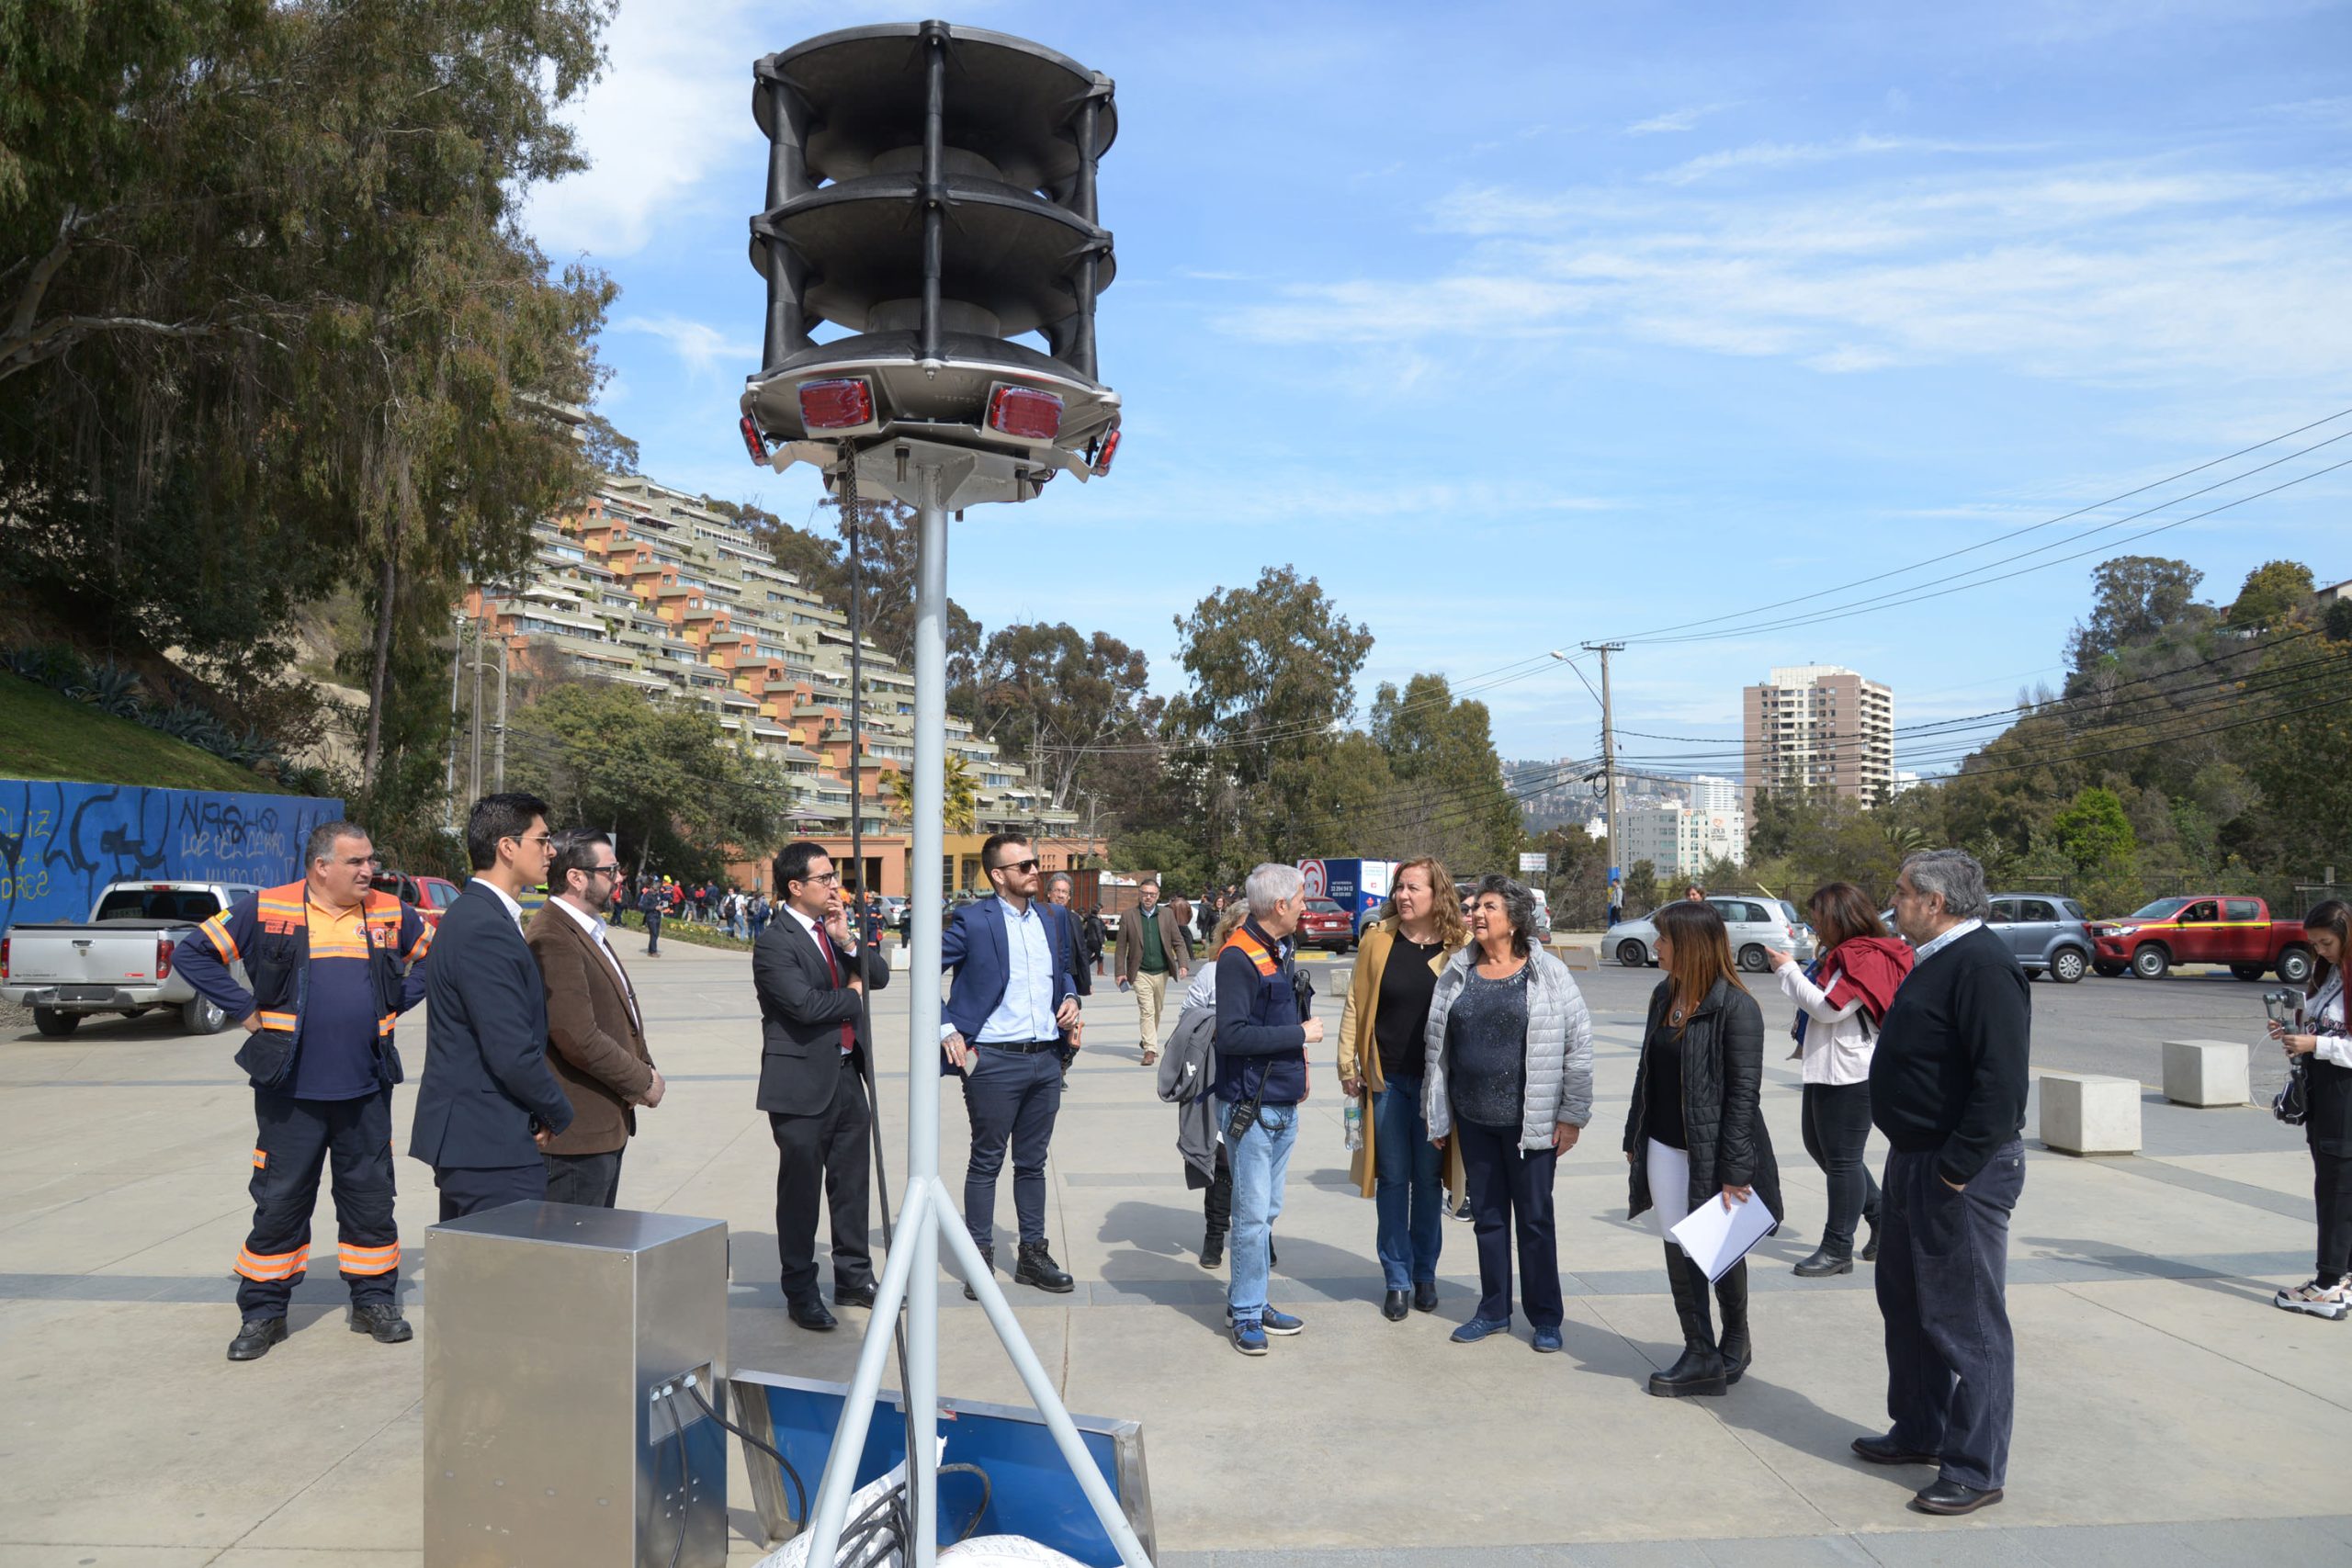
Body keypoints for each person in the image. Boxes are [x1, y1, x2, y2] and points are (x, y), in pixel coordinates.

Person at [176, 819, 430, 1361]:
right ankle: (263, 1313)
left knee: (370, 1199)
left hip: (365, 1086)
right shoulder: (269, 909)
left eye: (370, 860)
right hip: (289, 1089)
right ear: (321, 867)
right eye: (356, 862)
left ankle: (374, 1302)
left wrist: (395, 1002)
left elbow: (436, 955)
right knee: (279, 1201)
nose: (370, 870)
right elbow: (193, 953)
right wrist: (245, 1011)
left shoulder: (388, 910)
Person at [1858, 849, 2029, 1517]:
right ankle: (1920, 1429)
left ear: (1935, 902)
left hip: (1961, 1168)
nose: (1891, 902)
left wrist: (1956, 1168)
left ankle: (1976, 1465)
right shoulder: (1936, 958)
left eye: (1900, 892)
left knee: (1967, 1320)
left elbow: (2001, 1082)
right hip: (1914, 1157)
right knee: (1906, 1303)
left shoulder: (1984, 966)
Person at [1424, 874, 1593, 1352]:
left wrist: (1571, 1116)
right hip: (1475, 1120)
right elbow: (1436, 1050)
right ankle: (1493, 1309)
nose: (1475, 914)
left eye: (1488, 907)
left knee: (1535, 1220)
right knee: (1489, 1219)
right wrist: (1438, 1114)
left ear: (1515, 920)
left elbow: (1577, 1049)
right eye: (1474, 906)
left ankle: (1545, 1317)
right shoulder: (1458, 972)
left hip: (1532, 1123)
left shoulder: (1549, 974)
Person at [1622, 899, 1783, 1395]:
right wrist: (1635, 1135)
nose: (1656, 947)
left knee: (1719, 1247)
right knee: (1678, 1244)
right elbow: (1647, 1073)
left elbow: (1743, 1097)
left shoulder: (1736, 1006)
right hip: (1663, 1145)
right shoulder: (1662, 995)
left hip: (1714, 1150)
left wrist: (1737, 1169)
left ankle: (1737, 1337)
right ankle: (1700, 1350)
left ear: (1689, 944)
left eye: (1664, 939)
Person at [410, 793, 577, 1220]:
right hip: (486, 1143)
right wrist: (556, 1109)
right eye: (542, 840)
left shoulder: (484, 916)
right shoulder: (483, 926)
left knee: (481, 1277)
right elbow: (509, 1047)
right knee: (501, 1279)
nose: (551, 851)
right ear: (507, 847)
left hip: (483, 1136)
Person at [941, 834, 1084, 1298]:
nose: (1034, 872)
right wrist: (946, 1028)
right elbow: (926, 969)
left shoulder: (1051, 917)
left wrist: (1069, 997)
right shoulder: (972, 919)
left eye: (1035, 863)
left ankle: (1032, 1256)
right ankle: (979, 1257)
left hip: (1045, 1057)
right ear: (998, 875)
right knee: (986, 1161)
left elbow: (1061, 970)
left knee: (1032, 1162)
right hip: (994, 1061)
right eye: (1023, 866)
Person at [752, 841, 889, 1329]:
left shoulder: (834, 931)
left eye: (835, 877)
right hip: (800, 1086)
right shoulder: (775, 942)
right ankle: (801, 1290)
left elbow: (883, 976)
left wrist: (849, 941)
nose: (836, 885)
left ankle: (854, 1277)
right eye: (826, 878)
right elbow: (806, 1007)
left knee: (852, 1186)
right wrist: (853, 993)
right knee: (801, 1191)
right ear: (796, 887)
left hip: (848, 1075)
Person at [1337, 856, 1467, 1321]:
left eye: (1414, 887)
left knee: (1429, 1183)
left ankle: (1425, 1273)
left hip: (1437, 1087)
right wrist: (1346, 1062)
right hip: (1385, 1079)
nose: (1403, 896)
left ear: (1438, 894)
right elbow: (1356, 1000)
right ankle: (1396, 1278)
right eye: (1399, 887)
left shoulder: (1459, 947)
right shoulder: (1378, 940)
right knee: (1392, 1180)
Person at [1767, 882, 1913, 1276]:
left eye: (1818, 919)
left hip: (1851, 1071)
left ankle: (1837, 1248)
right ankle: (1881, 1215)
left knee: (1842, 1160)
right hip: (1828, 1064)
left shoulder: (1862, 955)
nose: (1815, 927)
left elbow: (1830, 1009)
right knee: (1823, 1150)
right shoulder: (1847, 953)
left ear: (1838, 919)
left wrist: (1788, 971)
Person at [1217, 863, 1323, 1356]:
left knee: (1267, 1212)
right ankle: (1244, 1314)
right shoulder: (1238, 955)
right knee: (1252, 1215)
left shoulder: (1279, 948)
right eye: (1301, 898)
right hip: (1251, 1107)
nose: (1306, 905)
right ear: (1280, 906)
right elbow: (1232, 1035)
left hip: (1282, 1103)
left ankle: (1253, 1300)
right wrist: (1301, 1033)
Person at [526, 830, 660, 1208]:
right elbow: (576, 1035)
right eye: (610, 869)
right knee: (574, 1256)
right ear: (576, 877)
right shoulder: (553, 936)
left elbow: (620, 1016)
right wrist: (642, 1080)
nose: (619, 878)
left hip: (602, 1127)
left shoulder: (585, 929)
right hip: (577, 1137)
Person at [2269, 898, 2350, 1320]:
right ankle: (2341, 1275)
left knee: (2335, 1189)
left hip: (2344, 1096)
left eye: (2327, 942)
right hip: (2323, 1091)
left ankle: (2328, 1283)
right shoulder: (2331, 974)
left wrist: (2316, 1044)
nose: (2320, 950)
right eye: (2314, 944)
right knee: (2336, 1184)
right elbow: (2325, 1026)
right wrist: (2296, 1031)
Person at [1163, 905, 1250, 1269]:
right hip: (1216, 1079)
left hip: (1257, 1081)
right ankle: (1215, 1236)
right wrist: (1217, 1024)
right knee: (1221, 1159)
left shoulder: (1271, 968)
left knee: (1255, 1162)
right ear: (1228, 933)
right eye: (1243, 930)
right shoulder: (1212, 973)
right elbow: (1187, 1019)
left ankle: (1261, 1236)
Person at [1116, 878, 1193, 1066]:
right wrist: (1120, 972)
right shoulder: (1129, 916)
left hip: (1162, 971)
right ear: (1139, 894)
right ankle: (1150, 1049)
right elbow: (1120, 947)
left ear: (1158, 896)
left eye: (1152, 894)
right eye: (1145, 893)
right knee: (1147, 1010)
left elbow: (1178, 941)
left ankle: (1146, 1038)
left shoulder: (1167, 914)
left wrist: (1183, 963)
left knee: (1157, 1009)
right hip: (1140, 971)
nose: (1148, 897)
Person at [638, 877, 666, 957]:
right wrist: (654, 907)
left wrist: (661, 906)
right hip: (651, 916)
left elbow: (659, 901)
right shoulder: (647, 895)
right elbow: (643, 907)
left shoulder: (657, 895)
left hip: (657, 915)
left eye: (657, 889)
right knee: (653, 933)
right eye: (655, 889)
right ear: (652, 888)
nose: (656, 891)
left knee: (656, 934)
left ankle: (651, 950)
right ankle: (653, 951)